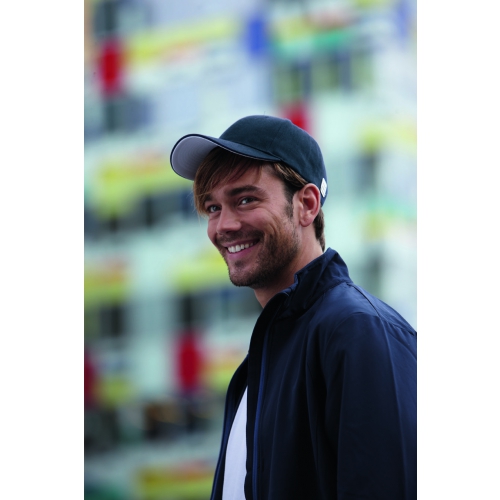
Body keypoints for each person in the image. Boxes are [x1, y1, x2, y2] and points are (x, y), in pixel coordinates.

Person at [170, 115, 417, 500]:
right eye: (213, 207)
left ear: (306, 205)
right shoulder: (255, 369)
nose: (223, 226)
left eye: (245, 199)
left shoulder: (358, 331)